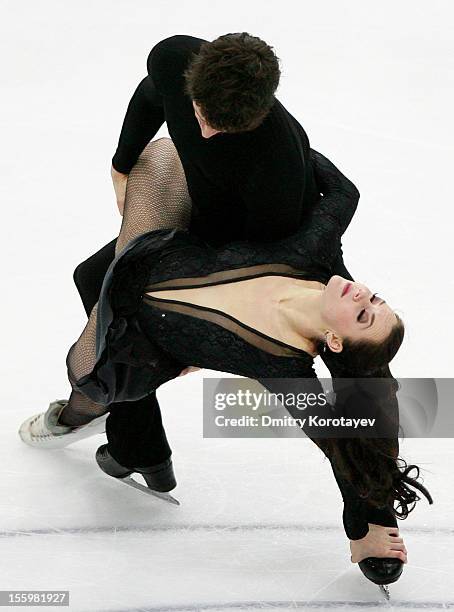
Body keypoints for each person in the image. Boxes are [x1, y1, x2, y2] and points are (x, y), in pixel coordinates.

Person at [19, 139, 433, 592]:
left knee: (368, 392)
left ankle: (369, 512)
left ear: (331, 342)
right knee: (156, 166)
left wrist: (369, 495)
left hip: (143, 346)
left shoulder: (281, 363)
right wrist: (273, 137)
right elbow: (343, 194)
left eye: (364, 310)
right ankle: (130, 443)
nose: (362, 292)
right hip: (151, 256)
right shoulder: (307, 255)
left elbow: (337, 439)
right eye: (374, 298)